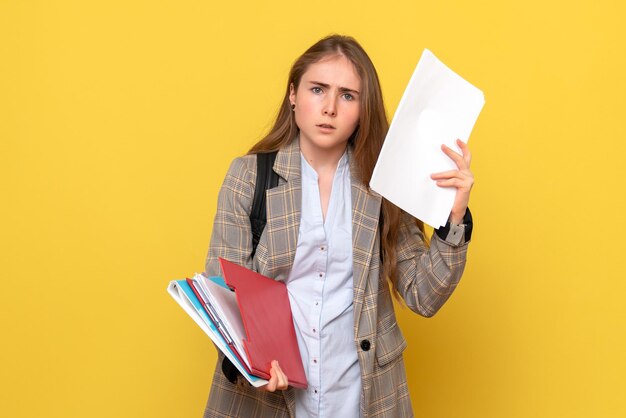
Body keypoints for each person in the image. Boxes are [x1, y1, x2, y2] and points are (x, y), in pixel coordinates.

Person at [202, 34, 474, 418]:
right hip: (270, 394)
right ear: (293, 94)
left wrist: (455, 216)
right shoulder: (249, 177)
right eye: (318, 89)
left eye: (347, 95)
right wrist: (252, 361)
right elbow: (222, 291)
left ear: (363, 108)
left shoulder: (383, 185)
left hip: (363, 397)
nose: (329, 107)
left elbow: (422, 295)